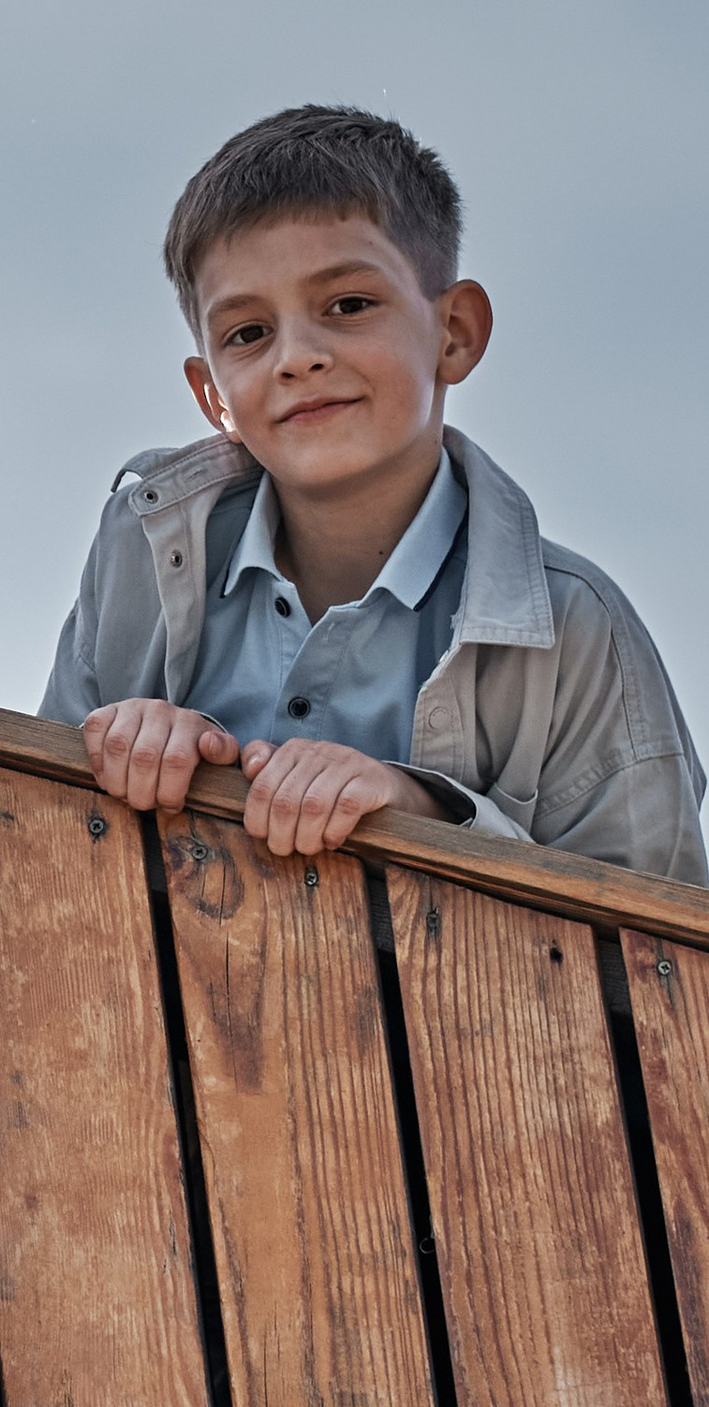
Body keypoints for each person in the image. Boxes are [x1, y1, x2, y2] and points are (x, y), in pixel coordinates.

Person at [44, 101, 706, 880]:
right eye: (248, 333)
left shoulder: (575, 631)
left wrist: (425, 813)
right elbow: (29, 849)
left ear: (455, 332)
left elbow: (656, 937)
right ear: (213, 396)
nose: (298, 357)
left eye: (349, 305)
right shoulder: (138, 558)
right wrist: (118, 755)